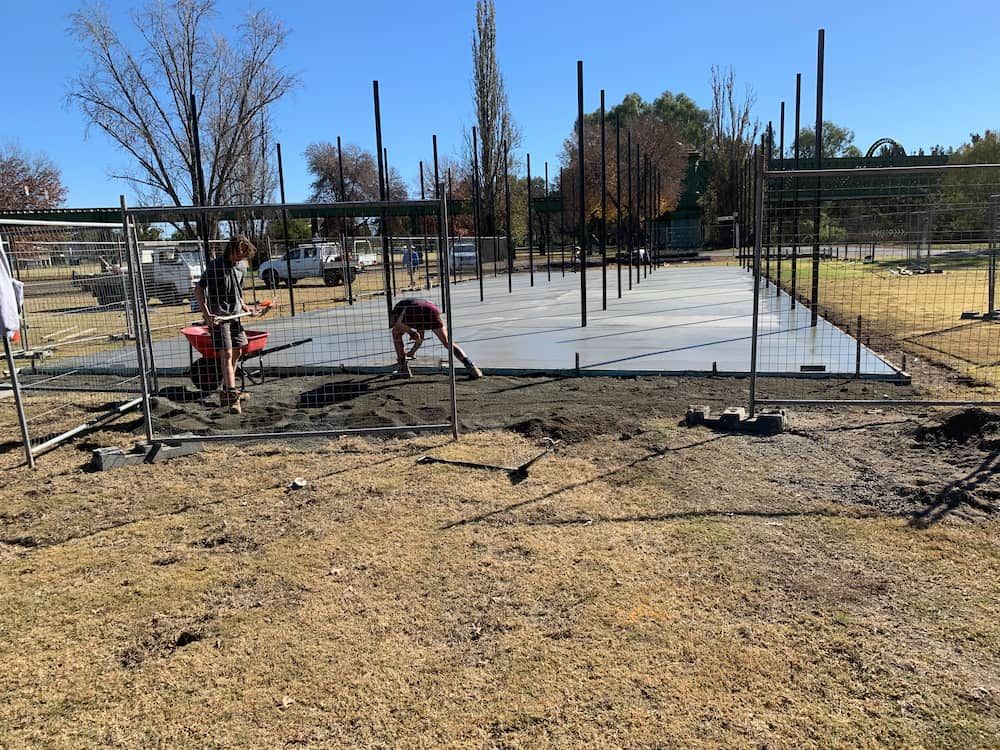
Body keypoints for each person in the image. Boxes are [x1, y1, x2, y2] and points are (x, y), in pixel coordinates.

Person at [193, 235, 261, 414]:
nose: (242, 258)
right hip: (219, 318)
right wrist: (207, 315)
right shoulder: (215, 267)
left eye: (245, 255)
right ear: (231, 249)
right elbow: (199, 289)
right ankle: (232, 397)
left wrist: (248, 308)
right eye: (240, 253)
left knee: (238, 351)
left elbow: (239, 293)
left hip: (236, 317)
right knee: (227, 354)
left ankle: (226, 391)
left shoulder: (241, 267)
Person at [388, 298, 482, 380]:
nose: (391, 324)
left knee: (395, 333)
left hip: (414, 310)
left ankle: (403, 368)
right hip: (432, 310)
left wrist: (411, 332)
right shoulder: (412, 310)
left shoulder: (398, 309)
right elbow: (420, 338)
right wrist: (412, 352)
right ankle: (471, 367)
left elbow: (398, 325)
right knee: (447, 343)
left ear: (392, 315)